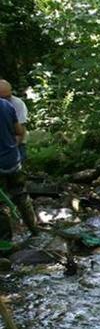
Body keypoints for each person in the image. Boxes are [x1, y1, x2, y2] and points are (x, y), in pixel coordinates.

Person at [0, 97, 38, 240]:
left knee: (1, 204)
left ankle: (5, 244)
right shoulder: (6, 105)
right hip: (12, 159)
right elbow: (19, 131)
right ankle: (34, 230)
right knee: (21, 194)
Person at [0, 80, 29, 161]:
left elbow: (20, 133)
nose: (5, 101)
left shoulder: (18, 104)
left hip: (15, 143)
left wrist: (9, 149)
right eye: (2, 98)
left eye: (8, 97)